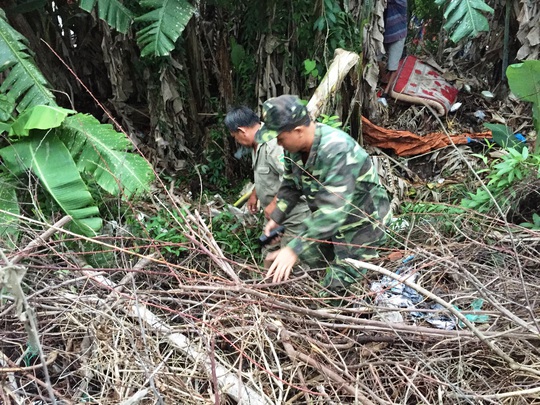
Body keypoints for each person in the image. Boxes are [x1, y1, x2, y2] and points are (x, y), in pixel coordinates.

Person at [256, 95, 392, 294]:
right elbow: (291, 185)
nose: (278, 143)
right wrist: (277, 217)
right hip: (327, 225)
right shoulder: (294, 149)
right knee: (300, 263)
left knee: (333, 291)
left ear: (298, 131)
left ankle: (337, 313)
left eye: (280, 138)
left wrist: (294, 249)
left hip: (362, 227)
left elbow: (332, 210)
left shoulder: (337, 150)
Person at [224, 106, 310, 267]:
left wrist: (273, 204)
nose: (237, 141)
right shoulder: (256, 144)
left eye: (236, 137)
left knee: (292, 264)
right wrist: (254, 194)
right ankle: (268, 289)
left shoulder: (274, 144)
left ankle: (291, 290)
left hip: (293, 214)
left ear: (242, 131)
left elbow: (294, 178)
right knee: (268, 254)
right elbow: (267, 174)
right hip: (274, 216)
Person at [379, 0, 408, 105]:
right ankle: (383, 78)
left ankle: (385, 95)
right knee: (376, 58)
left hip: (397, 35)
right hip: (385, 33)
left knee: (393, 66)